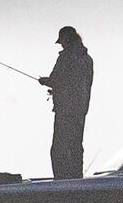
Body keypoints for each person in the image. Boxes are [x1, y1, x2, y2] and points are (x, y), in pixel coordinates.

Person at [39, 25, 93, 180]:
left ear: (66, 40)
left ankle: (62, 180)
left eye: (61, 41)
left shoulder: (66, 57)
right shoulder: (87, 59)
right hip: (81, 109)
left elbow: (57, 79)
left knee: (59, 149)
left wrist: (45, 81)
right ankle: (76, 178)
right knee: (76, 146)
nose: (61, 44)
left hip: (65, 109)